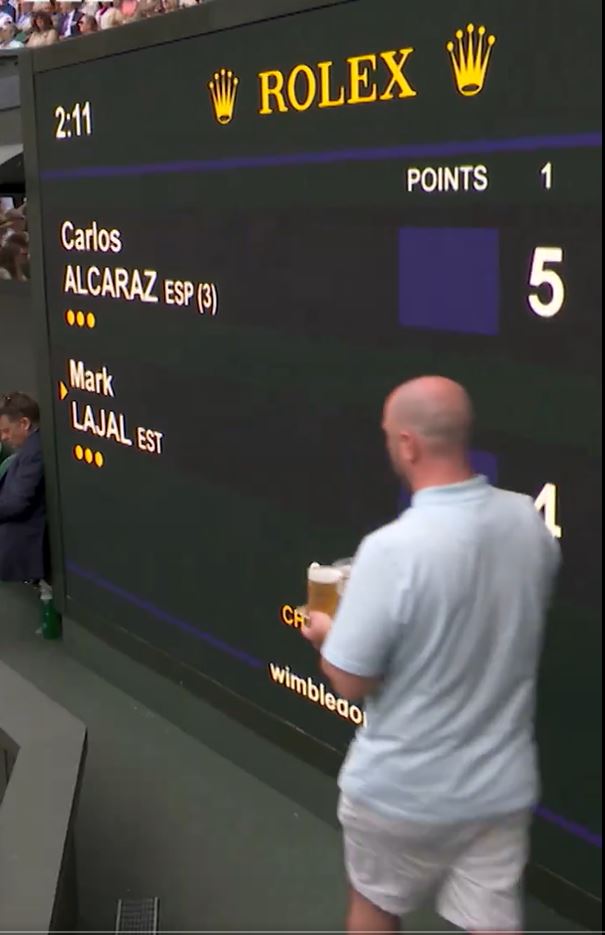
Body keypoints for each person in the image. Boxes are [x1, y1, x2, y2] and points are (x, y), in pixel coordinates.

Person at [301, 376, 561, 934]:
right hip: (499, 792)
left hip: (400, 792)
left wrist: (328, 633)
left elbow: (349, 680)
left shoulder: (391, 550)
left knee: (375, 906)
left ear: (408, 444)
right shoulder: (530, 527)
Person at [0, 393, 48, 583]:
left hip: (25, 551)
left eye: (6, 430)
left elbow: (15, 503)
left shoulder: (35, 451)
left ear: (24, 423)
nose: (3, 437)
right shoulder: (28, 450)